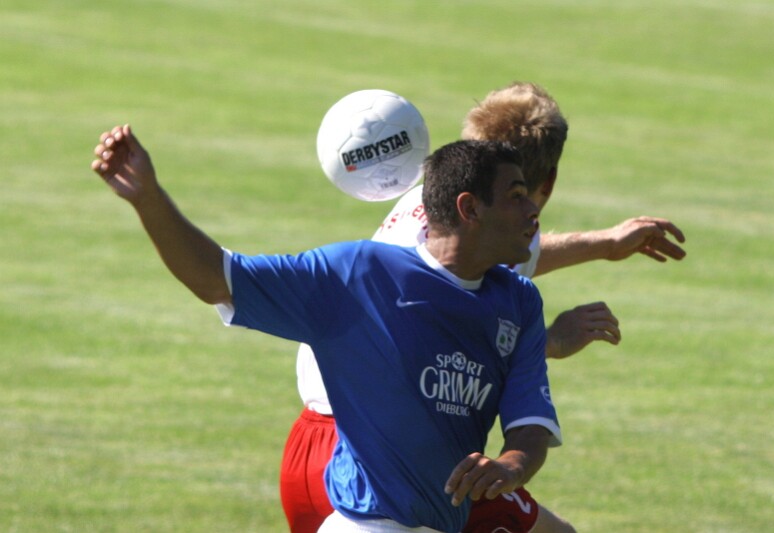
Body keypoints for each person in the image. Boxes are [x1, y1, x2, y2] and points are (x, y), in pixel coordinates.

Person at [91, 127, 562, 533]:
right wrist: (148, 198)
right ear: (469, 208)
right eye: (516, 196)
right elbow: (216, 278)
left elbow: (530, 423)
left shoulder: (519, 302)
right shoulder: (358, 274)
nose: (533, 210)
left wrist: (511, 465)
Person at [282, 82, 687, 533]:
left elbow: (504, 260)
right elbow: (458, 340)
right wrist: (552, 340)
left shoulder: (440, 208)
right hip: (387, 456)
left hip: (307, 448)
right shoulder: (491, 237)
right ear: (548, 181)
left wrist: (605, 244)